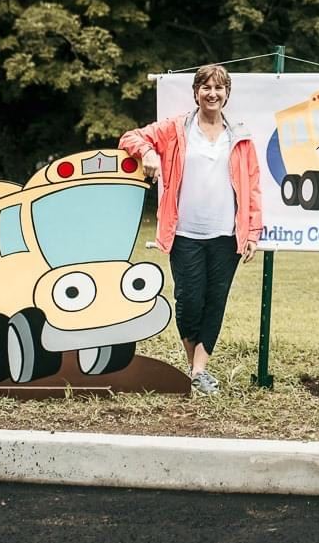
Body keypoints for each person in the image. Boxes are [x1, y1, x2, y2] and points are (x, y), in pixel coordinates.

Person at [120, 64, 262, 395]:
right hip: (185, 234)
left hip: (226, 236)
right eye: (206, 87)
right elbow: (131, 137)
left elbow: (253, 188)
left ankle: (198, 371)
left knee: (215, 302)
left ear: (227, 94)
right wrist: (148, 153)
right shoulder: (176, 129)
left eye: (219, 88)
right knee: (188, 302)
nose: (212, 93)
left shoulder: (239, 137)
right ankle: (193, 366)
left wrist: (253, 232)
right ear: (196, 92)